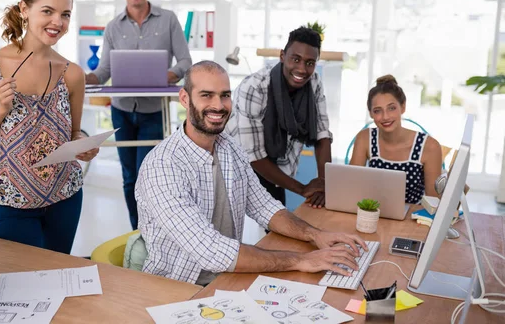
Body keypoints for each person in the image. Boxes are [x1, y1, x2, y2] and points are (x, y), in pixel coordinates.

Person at [135, 61, 366, 285]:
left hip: (227, 277)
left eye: (225, 95)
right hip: (179, 286)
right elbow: (211, 251)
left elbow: (264, 206)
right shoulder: (163, 166)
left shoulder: (230, 147)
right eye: (206, 95)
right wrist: (301, 260)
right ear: (185, 99)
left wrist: (315, 235)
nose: (218, 105)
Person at [0, 0, 99, 254]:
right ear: (24, 10)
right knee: (21, 283)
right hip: (11, 200)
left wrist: (83, 144)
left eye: (65, 14)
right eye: (47, 11)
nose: (57, 22)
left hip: (65, 196)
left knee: (59, 275)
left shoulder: (72, 73)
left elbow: (74, 132)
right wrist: (0, 108)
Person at [85, 0, 192, 230]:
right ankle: (138, 230)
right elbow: (105, 70)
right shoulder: (113, 27)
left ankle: (154, 228)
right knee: (129, 177)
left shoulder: (168, 20)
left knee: (148, 175)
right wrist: (86, 79)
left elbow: (186, 62)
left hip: (153, 111)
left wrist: (166, 74)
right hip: (122, 110)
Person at [226, 26, 331, 209]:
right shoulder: (254, 87)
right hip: (239, 166)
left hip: (276, 166)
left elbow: (322, 134)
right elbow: (253, 155)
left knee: (279, 225)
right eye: (296, 59)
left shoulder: (314, 82)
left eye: (309, 63)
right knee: (229, 227)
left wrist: (324, 184)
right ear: (282, 56)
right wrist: (302, 189)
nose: (302, 69)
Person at [349, 75, 442, 203]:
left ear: (403, 107)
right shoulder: (365, 138)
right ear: (370, 113)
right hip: (375, 214)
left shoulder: (429, 146)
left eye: (391, 108)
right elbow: (352, 188)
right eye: (377, 111)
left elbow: (434, 202)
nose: (385, 117)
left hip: (412, 220)